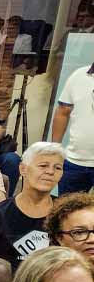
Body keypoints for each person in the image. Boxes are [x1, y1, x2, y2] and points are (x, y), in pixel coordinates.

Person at [0, 142, 63, 270]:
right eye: (43, 166)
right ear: (23, 169)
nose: (50, 172)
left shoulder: (66, 214)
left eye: (57, 168)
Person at [51, 60, 94, 195]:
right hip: (75, 161)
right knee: (67, 211)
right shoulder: (79, 75)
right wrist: (55, 148)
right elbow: (63, 111)